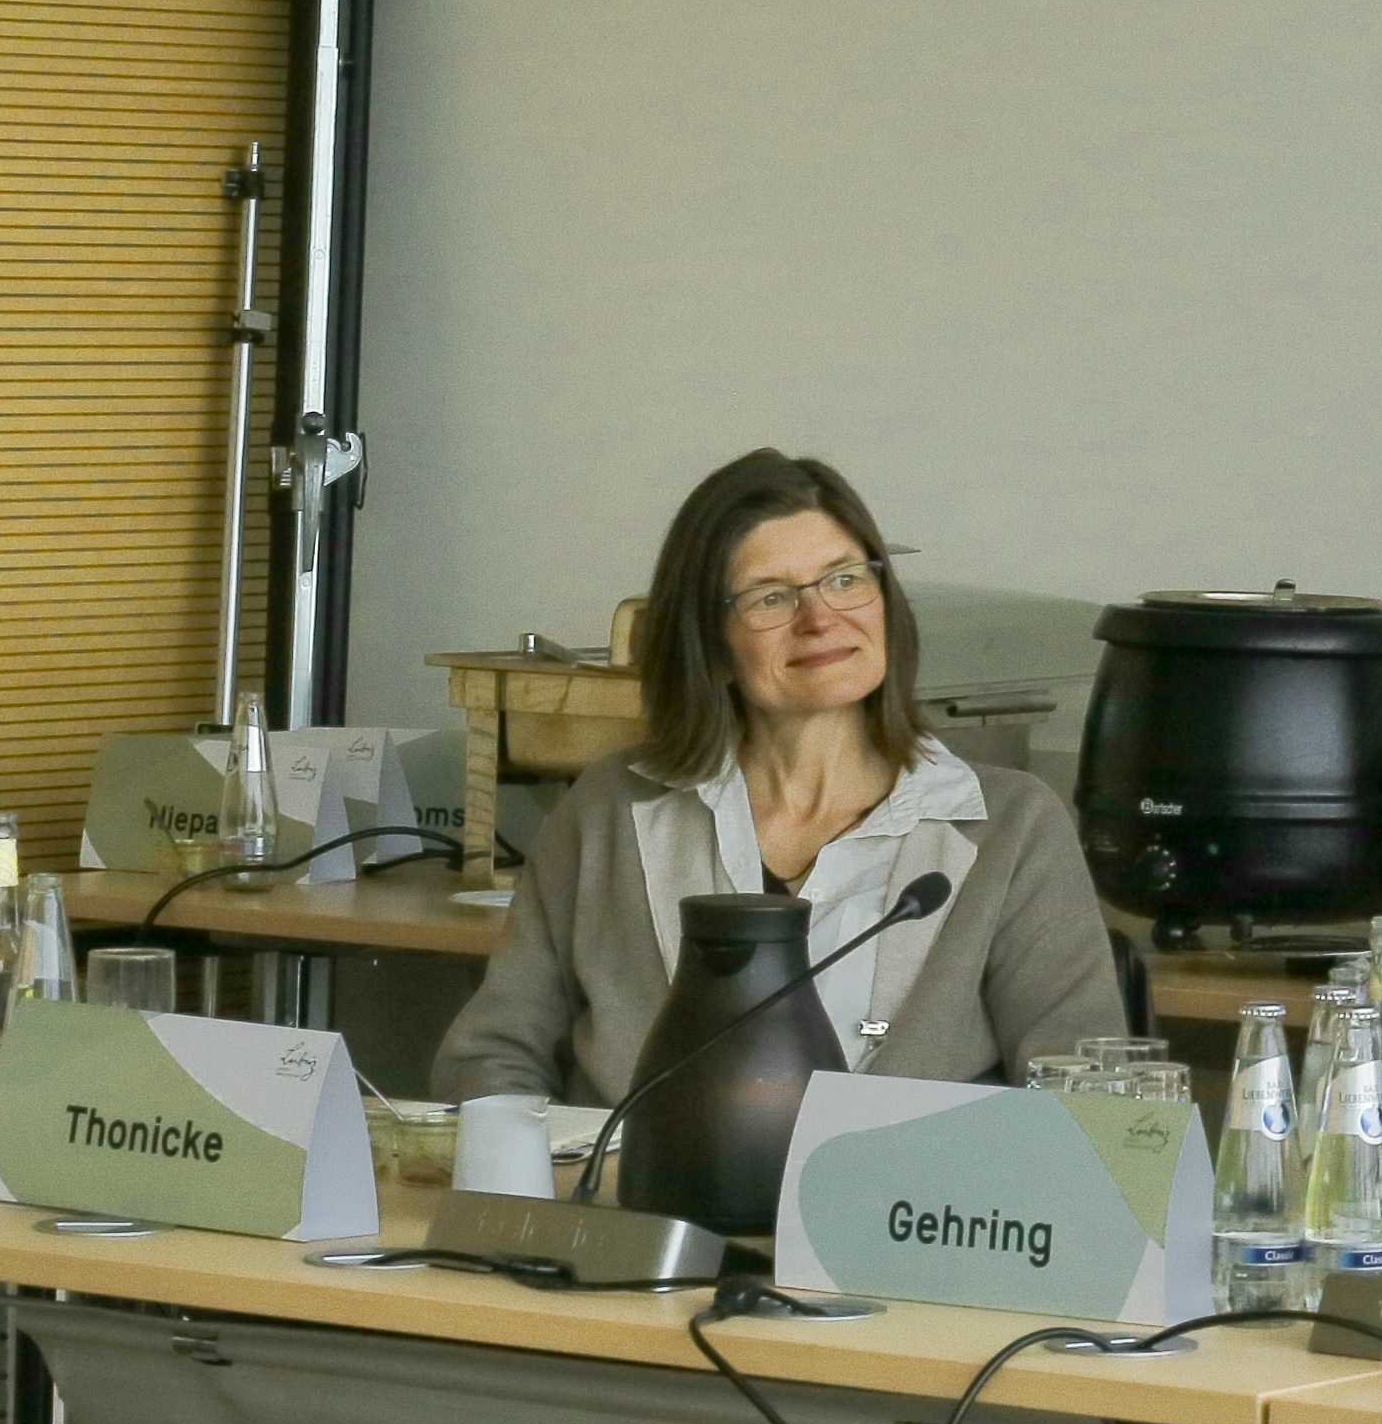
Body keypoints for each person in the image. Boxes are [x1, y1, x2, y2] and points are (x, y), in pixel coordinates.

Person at [435, 448, 1123, 1103]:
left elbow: (1086, 1093)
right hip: (643, 1214)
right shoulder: (609, 810)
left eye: (845, 578)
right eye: (770, 597)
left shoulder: (1013, 828)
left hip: (894, 1218)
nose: (821, 619)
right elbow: (491, 1057)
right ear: (710, 643)